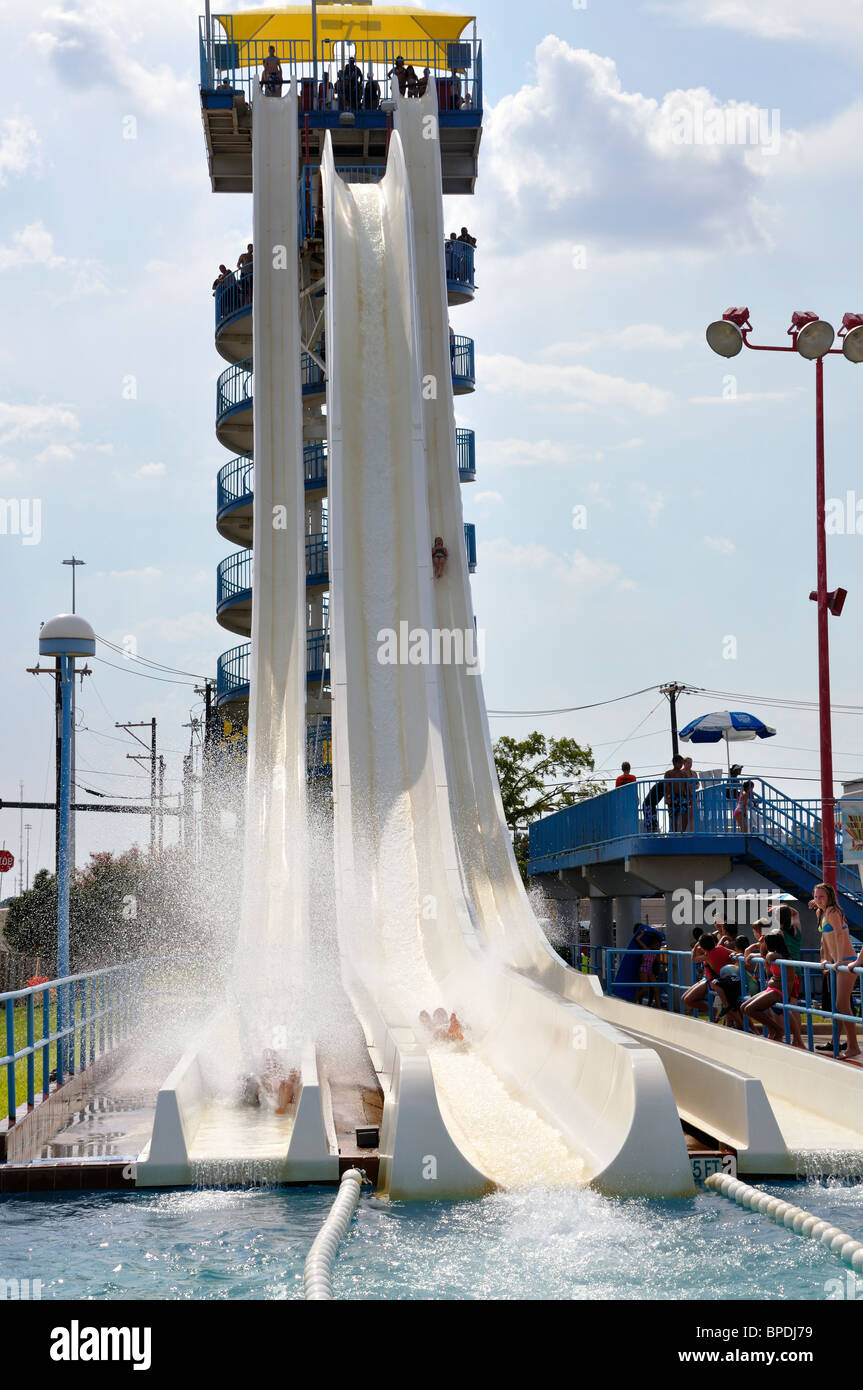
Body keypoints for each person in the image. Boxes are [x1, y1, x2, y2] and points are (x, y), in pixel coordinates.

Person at [812, 882, 861, 1059]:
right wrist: (825, 959)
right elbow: (825, 938)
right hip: (836, 962)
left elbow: (840, 935)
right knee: (839, 1007)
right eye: (816, 896)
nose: (818, 900)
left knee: (842, 1005)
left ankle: (853, 1046)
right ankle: (838, 1042)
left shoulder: (833, 912)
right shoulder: (821, 912)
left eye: (821, 897)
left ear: (830, 897)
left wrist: (839, 959)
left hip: (846, 961)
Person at [742, 931, 804, 1047]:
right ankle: (780, 1032)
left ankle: (776, 1030)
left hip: (778, 991)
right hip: (771, 988)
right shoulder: (776, 955)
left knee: (750, 1009)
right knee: (744, 1007)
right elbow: (767, 963)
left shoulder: (778, 956)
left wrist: (761, 950)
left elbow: (768, 958)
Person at [664, 753, 687, 831]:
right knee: (674, 816)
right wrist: (667, 798)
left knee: (684, 814)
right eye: (680, 763)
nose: (681, 765)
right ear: (674, 763)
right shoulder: (668, 773)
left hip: (682, 796)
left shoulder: (684, 773)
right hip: (672, 796)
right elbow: (666, 786)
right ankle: (675, 833)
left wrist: (689, 797)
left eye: (682, 763)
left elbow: (686, 786)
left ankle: (683, 833)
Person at [680, 755, 698, 832]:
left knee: (692, 816)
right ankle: (682, 833)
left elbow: (698, 784)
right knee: (683, 816)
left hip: (692, 796)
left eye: (691, 763)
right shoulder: (680, 773)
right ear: (684, 763)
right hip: (683, 796)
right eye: (688, 763)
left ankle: (691, 832)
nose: (690, 764)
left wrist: (695, 786)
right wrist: (688, 785)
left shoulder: (694, 773)